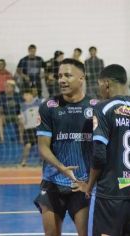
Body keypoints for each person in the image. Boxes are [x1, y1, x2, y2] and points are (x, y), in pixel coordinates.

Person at [73, 64, 130, 235]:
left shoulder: (102, 109)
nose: (99, 89)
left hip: (110, 196)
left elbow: (99, 156)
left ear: (106, 84)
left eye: (99, 84)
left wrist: (89, 185)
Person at [34, 59, 96, 236]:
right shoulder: (48, 107)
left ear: (82, 78)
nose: (62, 80)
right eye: (60, 76)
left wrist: (91, 181)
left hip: (82, 184)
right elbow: (43, 147)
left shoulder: (96, 107)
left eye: (68, 75)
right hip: (53, 182)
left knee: (86, 233)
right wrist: (61, 168)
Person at [18, 88, 41, 167]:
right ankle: (24, 161)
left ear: (32, 95)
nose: (26, 96)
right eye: (24, 95)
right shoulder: (23, 106)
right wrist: (21, 135)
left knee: (42, 145)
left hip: (38, 128)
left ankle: (46, 161)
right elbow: (22, 121)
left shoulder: (38, 102)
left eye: (28, 95)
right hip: (28, 129)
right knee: (27, 145)